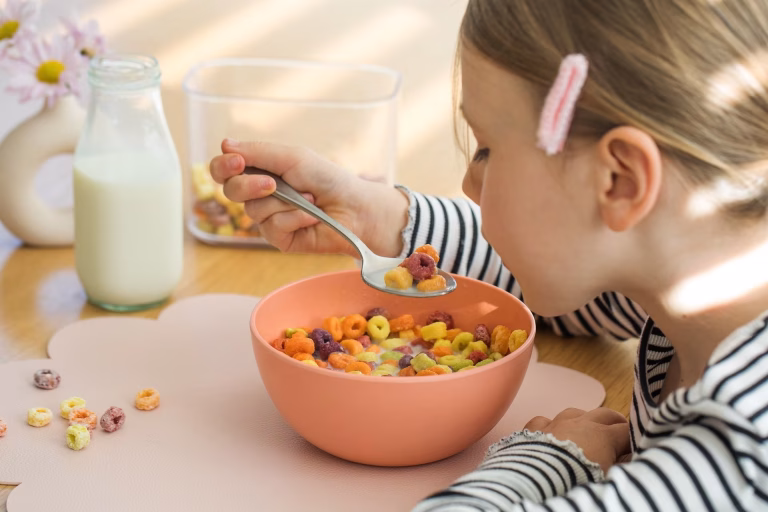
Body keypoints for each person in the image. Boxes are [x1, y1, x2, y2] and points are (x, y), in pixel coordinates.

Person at [210, 0, 768, 509]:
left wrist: (547, 463)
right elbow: (577, 281)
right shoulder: (700, 288)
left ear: (618, 180)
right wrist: (381, 218)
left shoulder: (738, 456)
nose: (468, 184)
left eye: (486, 150)